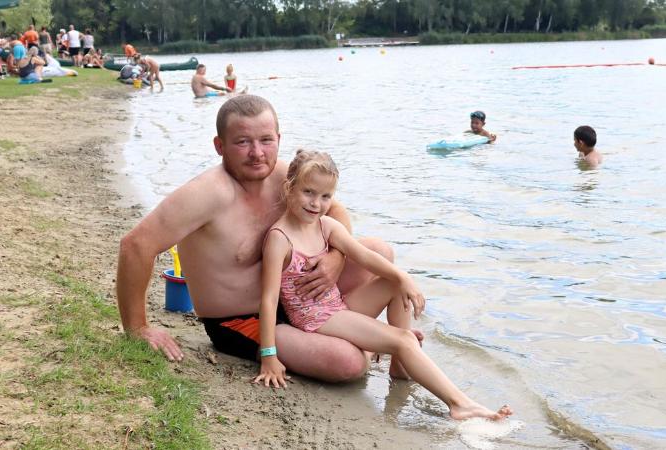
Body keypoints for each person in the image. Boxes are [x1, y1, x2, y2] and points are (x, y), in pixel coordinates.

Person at [116, 95, 390, 382]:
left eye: (266, 140)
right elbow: (136, 245)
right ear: (219, 146)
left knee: (378, 252)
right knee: (349, 363)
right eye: (243, 142)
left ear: (279, 139)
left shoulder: (285, 177)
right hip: (241, 320)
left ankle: (358, 335)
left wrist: (336, 257)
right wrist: (138, 327)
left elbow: (335, 210)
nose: (257, 153)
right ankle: (361, 342)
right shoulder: (206, 194)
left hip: (295, 301)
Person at [253, 149, 514, 421]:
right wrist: (269, 355)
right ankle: (460, 404)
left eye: (325, 196)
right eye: (308, 192)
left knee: (393, 283)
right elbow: (269, 300)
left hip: (336, 306)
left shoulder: (325, 225)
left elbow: (364, 256)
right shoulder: (280, 238)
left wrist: (403, 278)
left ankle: (400, 366)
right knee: (404, 339)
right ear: (289, 187)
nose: (316, 204)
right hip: (314, 319)